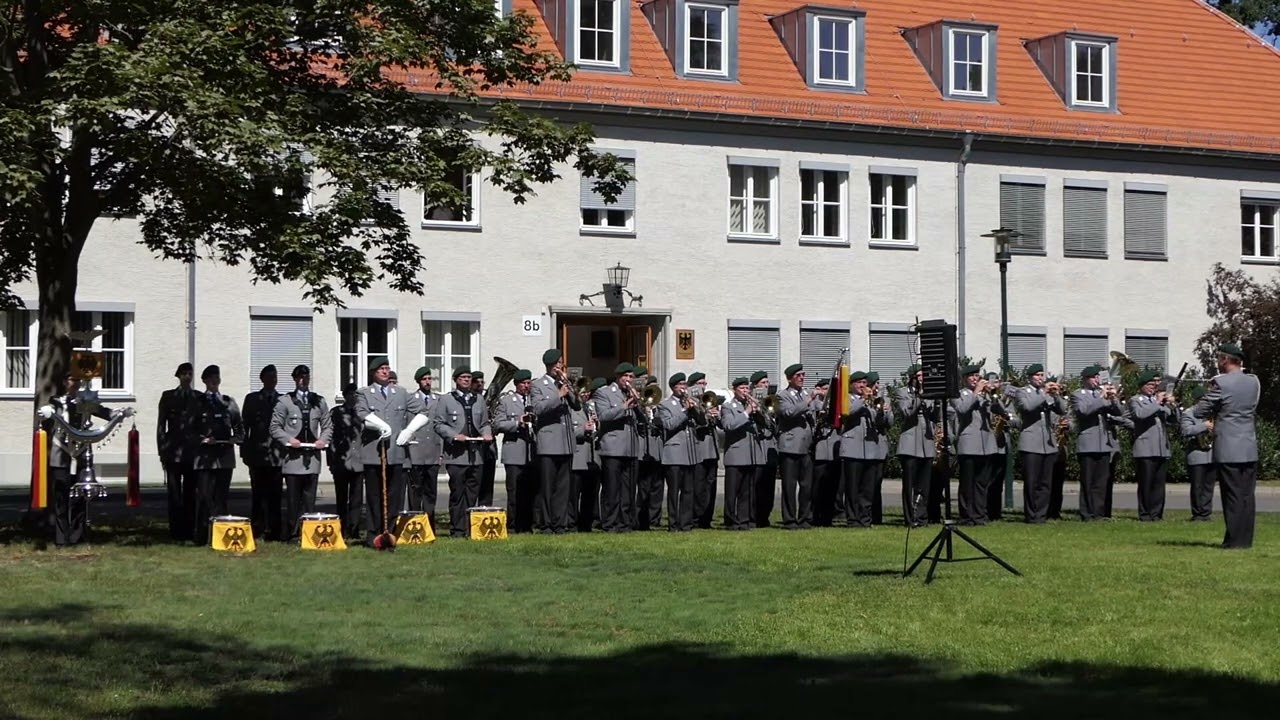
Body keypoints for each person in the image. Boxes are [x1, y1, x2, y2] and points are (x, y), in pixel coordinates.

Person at [38, 373, 129, 546]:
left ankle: (77, 536)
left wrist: (120, 413)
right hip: (61, 455)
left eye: (78, 381)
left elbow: (104, 412)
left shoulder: (84, 402)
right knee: (61, 497)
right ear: (65, 382)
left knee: (80, 496)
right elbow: (46, 416)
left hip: (81, 455)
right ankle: (61, 538)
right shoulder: (56, 402)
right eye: (72, 380)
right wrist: (45, 413)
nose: (76, 383)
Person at [1191, 343, 1260, 549]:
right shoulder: (1254, 382)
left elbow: (1199, 411)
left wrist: (1210, 390)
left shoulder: (1221, 384)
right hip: (1248, 444)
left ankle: (1234, 540)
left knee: (1232, 496)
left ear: (1225, 360)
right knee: (1247, 495)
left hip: (1229, 446)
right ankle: (1245, 539)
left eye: (1219, 359)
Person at [355, 356, 425, 546]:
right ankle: (373, 535)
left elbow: (423, 411)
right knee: (374, 496)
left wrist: (409, 431)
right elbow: (361, 413)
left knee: (395, 497)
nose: (385, 372)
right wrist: (379, 425)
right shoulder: (364, 393)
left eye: (387, 368)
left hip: (395, 452)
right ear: (373, 373)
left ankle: (391, 533)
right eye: (381, 369)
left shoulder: (400, 392)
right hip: (373, 453)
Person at [269, 365, 332, 539]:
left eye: (306, 377)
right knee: (292, 500)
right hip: (293, 459)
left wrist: (323, 440)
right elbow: (275, 427)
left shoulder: (319, 401)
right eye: (299, 378)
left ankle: (309, 533)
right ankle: (292, 532)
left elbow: (327, 426)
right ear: (295, 379)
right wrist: (289, 440)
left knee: (309, 500)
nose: (303, 381)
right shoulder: (285, 401)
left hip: (312, 458)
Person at [432, 367, 492, 538]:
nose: (466, 380)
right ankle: (457, 529)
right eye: (463, 377)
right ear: (456, 380)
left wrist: (486, 433)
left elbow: (484, 422)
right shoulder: (446, 400)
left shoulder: (478, 399)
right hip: (456, 455)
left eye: (469, 377)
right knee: (458, 493)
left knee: (472, 493)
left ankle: (469, 527)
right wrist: (454, 435)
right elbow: (438, 424)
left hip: (476, 455)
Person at [192, 365, 244, 546]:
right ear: (204, 381)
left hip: (224, 457)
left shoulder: (229, 402)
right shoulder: (198, 402)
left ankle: (221, 536)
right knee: (204, 497)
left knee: (221, 498)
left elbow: (239, 428)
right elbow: (189, 430)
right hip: (205, 458)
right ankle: (202, 536)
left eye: (217, 378)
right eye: (211, 378)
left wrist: (233, 440)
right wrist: (202, 439)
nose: (214, 381)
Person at [530, 349, 577, 534]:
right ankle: (547, 523)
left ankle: (560, 523)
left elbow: (577, 405)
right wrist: (558, 395)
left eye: (561, 364)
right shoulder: (538, 385)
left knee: (564, 487)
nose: (560, 367)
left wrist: (571, 389)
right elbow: (537, 408)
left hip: (566, 442)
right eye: (557, 364)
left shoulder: (564, 383)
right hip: (548, 442)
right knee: (548, 487)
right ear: (549, 365)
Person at [1013, 364, 1067, 524]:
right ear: (1030, 377)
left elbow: (1062, 410)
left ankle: (1041, 515)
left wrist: (1056, 395)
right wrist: (1044, 393)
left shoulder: (1048, 393)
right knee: (1032, 482)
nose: (1041, 378)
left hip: (1048, 443)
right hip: (1030, 443)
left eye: (1042, 375)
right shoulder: (1023, 392)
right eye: (1037, 375)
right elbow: (1028, 407)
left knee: (1045, 483)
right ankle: (1031, 515)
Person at [840, 371, 893, 528]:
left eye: (864, 383)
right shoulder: (847, 398)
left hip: (870, 448)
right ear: (851, 385)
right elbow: (847, 412)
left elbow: (884, 424)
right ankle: (852, 519)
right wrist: (863, 400)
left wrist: (883, 410)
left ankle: (865, 519)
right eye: (859, 383)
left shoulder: (873, 401)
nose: (862, 386)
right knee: (852, 487)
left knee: (867, 488)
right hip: (852, 448)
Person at [951, 364, 1002, 526]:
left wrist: (995, 395)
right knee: (967, 483)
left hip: (986, 443)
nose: (975, 379)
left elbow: (998, 411)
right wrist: (976, 393)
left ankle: (980, 515)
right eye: (971, 376)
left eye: (977, 376)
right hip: (969, 444)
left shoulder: (985, 395)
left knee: (981, 483)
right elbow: (962, 409)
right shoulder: (958, 394)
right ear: (964, 378)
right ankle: (966, 516)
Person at [1071, 365, 1123, 521]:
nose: (1097, 380)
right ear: (1086, 379)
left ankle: (1099, 513)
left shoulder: (1103, 395)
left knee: (1101, 482)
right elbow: (1083, 411)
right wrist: (1101, 398)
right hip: (1088, 443)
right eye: (1094, 377)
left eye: (1098, 377)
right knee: (1088, 481)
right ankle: (1087, 513)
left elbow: (1119, 412)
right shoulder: (1078, 395)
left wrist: (1113, 398)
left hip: (1104, 443)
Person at [592, 363, 639, 533]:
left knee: (628, 489)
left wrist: (638, 404)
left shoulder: (631, 394)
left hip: (630, 448)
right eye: (625, 376)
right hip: (612, 448)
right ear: (618, 377)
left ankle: (624, 522)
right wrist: (623, 406)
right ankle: (610, 523)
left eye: (631, 377)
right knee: (612, 489)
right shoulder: (603, 392)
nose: (628, 380)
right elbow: (603, 416)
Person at [777, 363, 823, 529]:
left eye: (803, 375)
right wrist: (809, 399)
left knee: (806, 486)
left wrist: (823, 398)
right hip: (790, 446)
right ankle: (789, 520)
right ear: (790, 378)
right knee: (789, 486)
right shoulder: (783, 395)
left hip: (806, 446)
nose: (802, 378)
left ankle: (805, 518)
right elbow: (789, 413)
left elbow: (819, 409)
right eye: (798, 375)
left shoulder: (805, 394)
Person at [242, 365, 285, 541]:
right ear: (262, 379)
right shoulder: (252, 399)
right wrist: (245, 452)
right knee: (258, 495)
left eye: (275, 377)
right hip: (258, 454)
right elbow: (245, 426)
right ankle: (257, 529)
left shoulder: (283, 400)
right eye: (269, 377)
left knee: (276, 495)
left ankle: (275, 531)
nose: (272, 380)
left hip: (277, 454)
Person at [156, 362, 198, 541]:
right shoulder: (168, 396)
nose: (187, 377)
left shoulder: (198, 397)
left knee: (190, 493)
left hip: (192, 452)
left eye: (190, 373)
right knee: (174, 493)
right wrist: (161, 451)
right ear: (179, 376)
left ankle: (189, 529)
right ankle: (175, 531)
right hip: (173, 452)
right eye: (184, 374)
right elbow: (161, 426)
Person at [1130, 369, 1176, 522]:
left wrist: (1172, 405)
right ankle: (1145, 514)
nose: (1152, 387)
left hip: (1161, 448)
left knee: (1159, 484)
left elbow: (1173, 420)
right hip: (1145, 449)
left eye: (1154, 384)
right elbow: (1139, 415)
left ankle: (1157, 513)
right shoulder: (1136, 400)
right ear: (1142, 385)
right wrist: (1157, 403)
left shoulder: (1158, 401)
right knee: (1146, 483)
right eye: (1149, 384)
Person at [494, 368, 537, 532]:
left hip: (531, 452)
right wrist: (518, 422)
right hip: (514, 452)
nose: (526, 386)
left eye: (528, 383)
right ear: (516, 384)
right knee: (514, 493)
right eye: (523, 383)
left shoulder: (534, 400)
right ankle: (513, 525)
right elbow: (498, 424)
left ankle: (528, 524)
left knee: (531, 492)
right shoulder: (507, 401)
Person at [655, 373, 698, 531]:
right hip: (673, 454)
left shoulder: (691, 402)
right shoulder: (665, 405)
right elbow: (669, 424)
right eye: (680, 385)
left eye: (685, 385)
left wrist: (696, 409)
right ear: (673, 387)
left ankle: (686, 523)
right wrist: (685, 412)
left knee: (688, 490)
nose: (684, 388)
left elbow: (701, 421)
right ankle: (673, 524)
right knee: (674, 492)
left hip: (689, 453)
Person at [895, 364, 936, 527]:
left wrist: (936, 402)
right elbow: (907, 413)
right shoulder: (902, 392)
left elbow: (935, 416)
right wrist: (920, 397)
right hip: (910, 444)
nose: (922, 379)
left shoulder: (930, 393)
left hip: (926, 442)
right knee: (910, 484)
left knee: (924, 485)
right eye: (919, 376)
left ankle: (922, 516)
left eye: (924, 376)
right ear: (912, 378)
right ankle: (910, 518)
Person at [406, 367, 443, 532]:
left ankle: (429, 525)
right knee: (415, 491)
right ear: (418, 381)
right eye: (424, 379)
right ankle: (415, 525)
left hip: (433, 452)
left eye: (429, 379)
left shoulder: (438, 400)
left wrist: (441, 453)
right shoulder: (410, 399)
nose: (428, 382)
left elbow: (441, 425)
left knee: (430, 492)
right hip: (415, 452)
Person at [720, 377, 760, 530]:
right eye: (742, 389)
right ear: (734, 390)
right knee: (732, 493)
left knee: (746, 492)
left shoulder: (751, 405)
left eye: (747, 389)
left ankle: (743, 521)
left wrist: (758, 413)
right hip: (735, 455)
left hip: (749, 454)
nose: (745, 392)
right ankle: (730, 521)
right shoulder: (728, 406)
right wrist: (747, 412)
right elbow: (729, 425)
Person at [326, 383, 365, 540]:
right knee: (341, 498)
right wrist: (330, 461)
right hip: (341, 461)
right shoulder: (336, 413)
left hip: (358, 461)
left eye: (355, 395)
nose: (353, 397)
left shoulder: (362, 414)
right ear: (345, 395)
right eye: (350, 394)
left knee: (356, 498)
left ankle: (354, 529)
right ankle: (341, 528)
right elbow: (330, 438)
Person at [687, 372, 721, 529]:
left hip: (712, 449)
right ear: (692, 386)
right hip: (698, 449)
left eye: (704, 383)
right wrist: (705, 416)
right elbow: (695, 424)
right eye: (700, 383)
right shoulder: (690, 403)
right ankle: (695, 518)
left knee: (710, 485)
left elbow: (720, 427)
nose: (704, 386)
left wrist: (717, 416)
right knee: (698, 486)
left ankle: (707, 518)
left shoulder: (709, 401)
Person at [1180, 385, 1215, 522]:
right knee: (1197, 486)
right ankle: (1197, 513)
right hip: (1196, 454)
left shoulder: (1212, 413)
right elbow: (1186, 431)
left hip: (1211, 454)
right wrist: (1204, 426)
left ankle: (1206, 513)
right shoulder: (1189, 413)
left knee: (1208, 486)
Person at [570, 380, 599, 531]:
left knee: (589, 494)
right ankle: (572, 523)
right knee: (574, 495)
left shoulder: (590, 408)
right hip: (577, 457)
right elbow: (567, 433)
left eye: (588, 392)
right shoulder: (571, 409)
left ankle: (586, 524)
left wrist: (596, 425)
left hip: (591, 458)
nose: (586, 395)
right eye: (583, 392)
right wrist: (583, 429)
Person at [750, 370, 778, 527]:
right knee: (757, 485)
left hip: (771, 448)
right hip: (758, 447)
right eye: (763, 383)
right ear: (755, 386)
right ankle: (755, 515)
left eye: (767, 383)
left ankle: (765, 515)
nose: (766, 386)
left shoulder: (771, 401)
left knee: (769, 485)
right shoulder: (752, 403)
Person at [811, 378, 839, 527]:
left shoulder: (836, 404)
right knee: (818, 487)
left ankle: (828, 517)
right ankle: (816, 516)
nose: (827, 391)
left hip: (834, 449)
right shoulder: (816, 403)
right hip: (821, 450)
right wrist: (819, 397)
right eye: (825, 388)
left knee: (832, 488)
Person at [471, 370, 498, 506]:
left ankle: (485, 509)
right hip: (474, 446)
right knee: (474, 483)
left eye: (482, 382)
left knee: (488, 483)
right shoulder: (470, 400)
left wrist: (494, 424)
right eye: (477, 382)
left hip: (489, 447)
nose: (480, 385)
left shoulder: (491, 401)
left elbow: (497, 420)